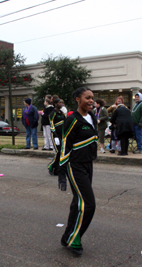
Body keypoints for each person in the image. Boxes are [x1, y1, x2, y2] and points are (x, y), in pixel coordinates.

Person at [59, 87, 98, 256]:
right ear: (78, 99)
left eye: (92, 98)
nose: (91, 101)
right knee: (88, 204)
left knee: (78, 202)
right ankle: (75, 237)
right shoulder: (72, 119)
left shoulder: (92, 118)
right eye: (87, 97)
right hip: (74, 166)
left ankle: (67, 235)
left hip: (88, 164)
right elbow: (64, 145)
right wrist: (61, 172)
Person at [48, 98, 67, 191]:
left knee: (63, 152)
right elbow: (51, 123)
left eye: (62, 102)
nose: (61, 103)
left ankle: (58, 169)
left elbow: (66, 122)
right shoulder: (53, 113)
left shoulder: (62, 113)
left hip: (63, 135)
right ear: (55, 104)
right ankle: (51, 166)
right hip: (56, 135)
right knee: (58, 152)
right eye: (60, 102)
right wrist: (54, 133)